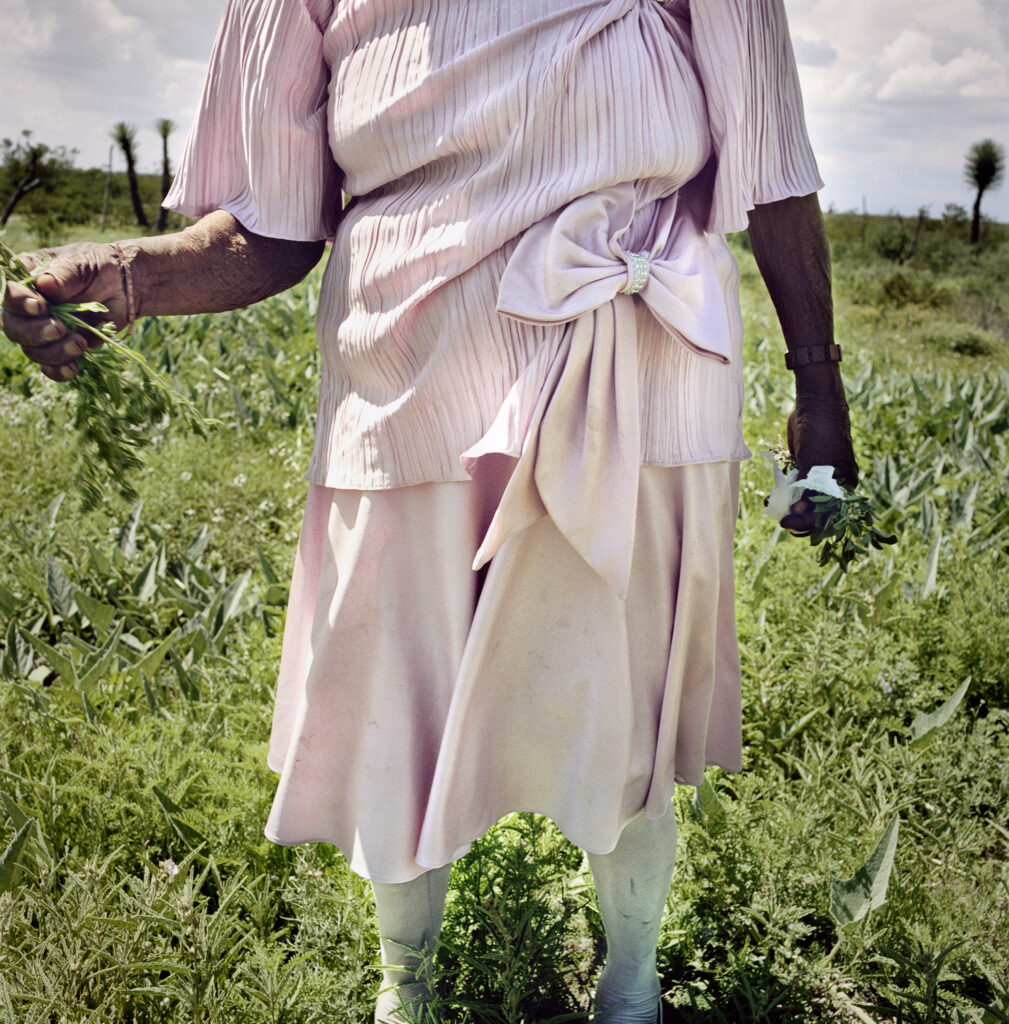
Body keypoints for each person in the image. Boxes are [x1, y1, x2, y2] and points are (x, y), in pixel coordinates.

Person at [2, 0, 857, 1020]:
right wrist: (134, 275)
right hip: (404, 380)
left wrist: (820, 384)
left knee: (620, 714)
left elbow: (771, 160)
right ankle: (405, 990)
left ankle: (629, 987)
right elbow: (273, 224)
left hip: (633, 370)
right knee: (394, 714)